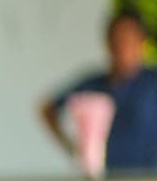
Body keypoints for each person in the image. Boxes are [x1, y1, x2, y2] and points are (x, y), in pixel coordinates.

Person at [41, 10, 157, 172]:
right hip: (106, 180)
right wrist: (73, 149)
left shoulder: (152, 82)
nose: (123, 47)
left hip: (149, 180)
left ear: (141, 42)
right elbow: (48, 108)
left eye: (129, 40)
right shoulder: (94, 85)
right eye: (118, 40)